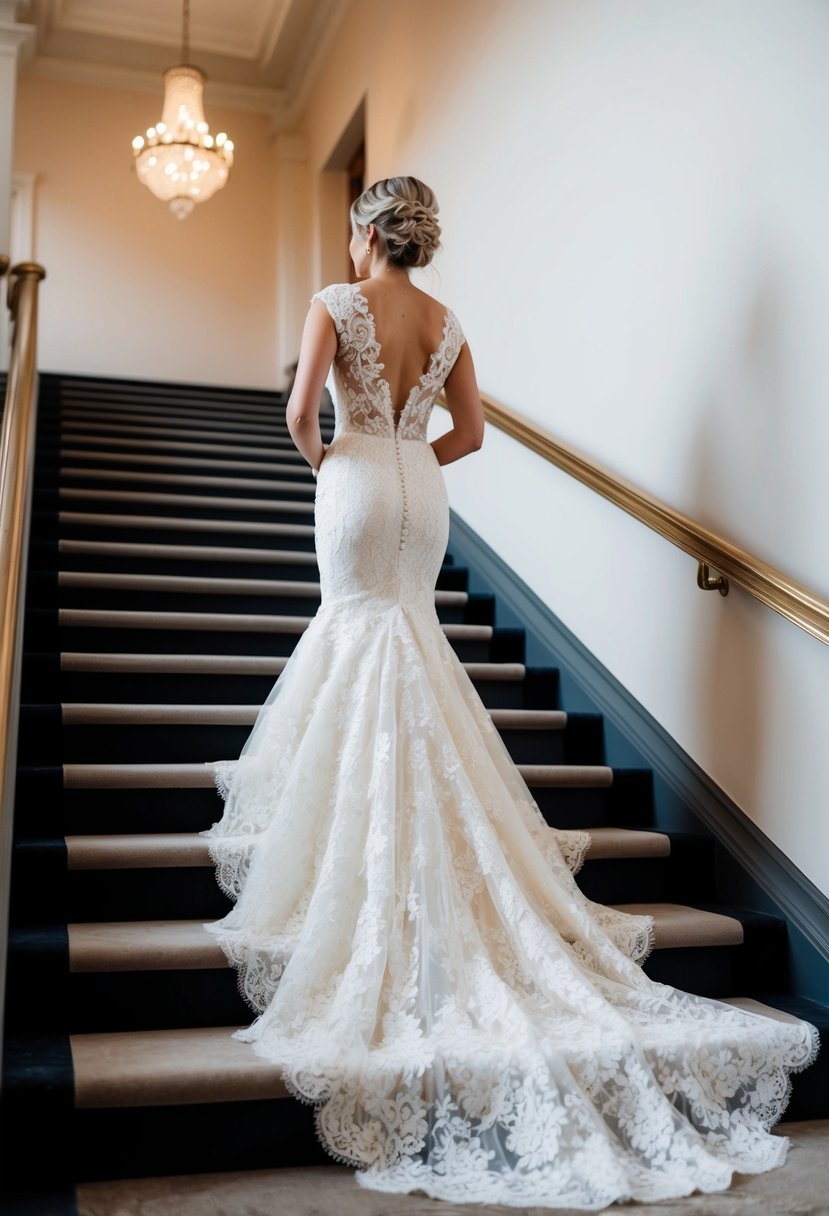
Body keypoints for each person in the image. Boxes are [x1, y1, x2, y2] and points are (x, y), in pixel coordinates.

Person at [202, 176, 818, 1209]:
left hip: (354, 483)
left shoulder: (331, 302)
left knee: (356, 640)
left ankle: (347, 849)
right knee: (411, 648)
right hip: (420, 492)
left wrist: (336, 463)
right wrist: (410, 454)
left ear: (364, 234)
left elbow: (299, 410)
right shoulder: (445, 322)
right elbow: (474, 431)